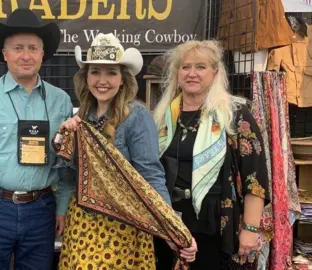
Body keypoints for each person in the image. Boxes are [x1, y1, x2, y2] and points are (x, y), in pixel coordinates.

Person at [55, 33, 197, 269]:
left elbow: (150, 175)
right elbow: (70, 178)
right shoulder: (82, 118)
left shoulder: (136, 116)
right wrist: (63, 138)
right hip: (81, 224)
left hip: (122, 227)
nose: (103, 80)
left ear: (123, 79)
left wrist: (172, 225)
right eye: (95, 72)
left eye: (111, 72)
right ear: (86, 78)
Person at [0, 8, 73, 269]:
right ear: (5, 53)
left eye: (33, 48)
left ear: (43, 54)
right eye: (18, 47)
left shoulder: (60, 101)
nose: (26, 55)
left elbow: (65, 162)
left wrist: (62, 207)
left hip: (42, 209)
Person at [153, 40, 270, 269]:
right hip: (170, 223)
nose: (192, 74)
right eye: (185, 67)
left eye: (201, 67)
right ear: (177, 73)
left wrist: (250, 228)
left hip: (216, 224)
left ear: (215, 72)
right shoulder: (162, 117)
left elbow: (254, 178)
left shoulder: (235, 114)